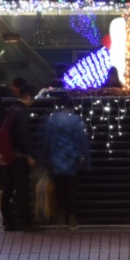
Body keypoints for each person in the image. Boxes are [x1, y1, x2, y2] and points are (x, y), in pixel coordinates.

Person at [42, 97, 91, 229]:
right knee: (72, 190)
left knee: (58, 189)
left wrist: (44, 158)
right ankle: (72, 217)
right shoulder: (76, 120)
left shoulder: (52, 120)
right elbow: (82, 141)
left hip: (56, 160)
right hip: (72, 160)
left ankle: (59, 215)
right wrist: (86, 160)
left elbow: (47, 141)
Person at [0, 78, 35, 230]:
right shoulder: (22, 113)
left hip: (9, 155)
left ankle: (8, 221)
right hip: (19, 156)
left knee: (8, 188)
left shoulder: (12, 109)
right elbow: (23, 136)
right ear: (27, 97)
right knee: (22, 189)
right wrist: (29, 155)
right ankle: (25, 222)